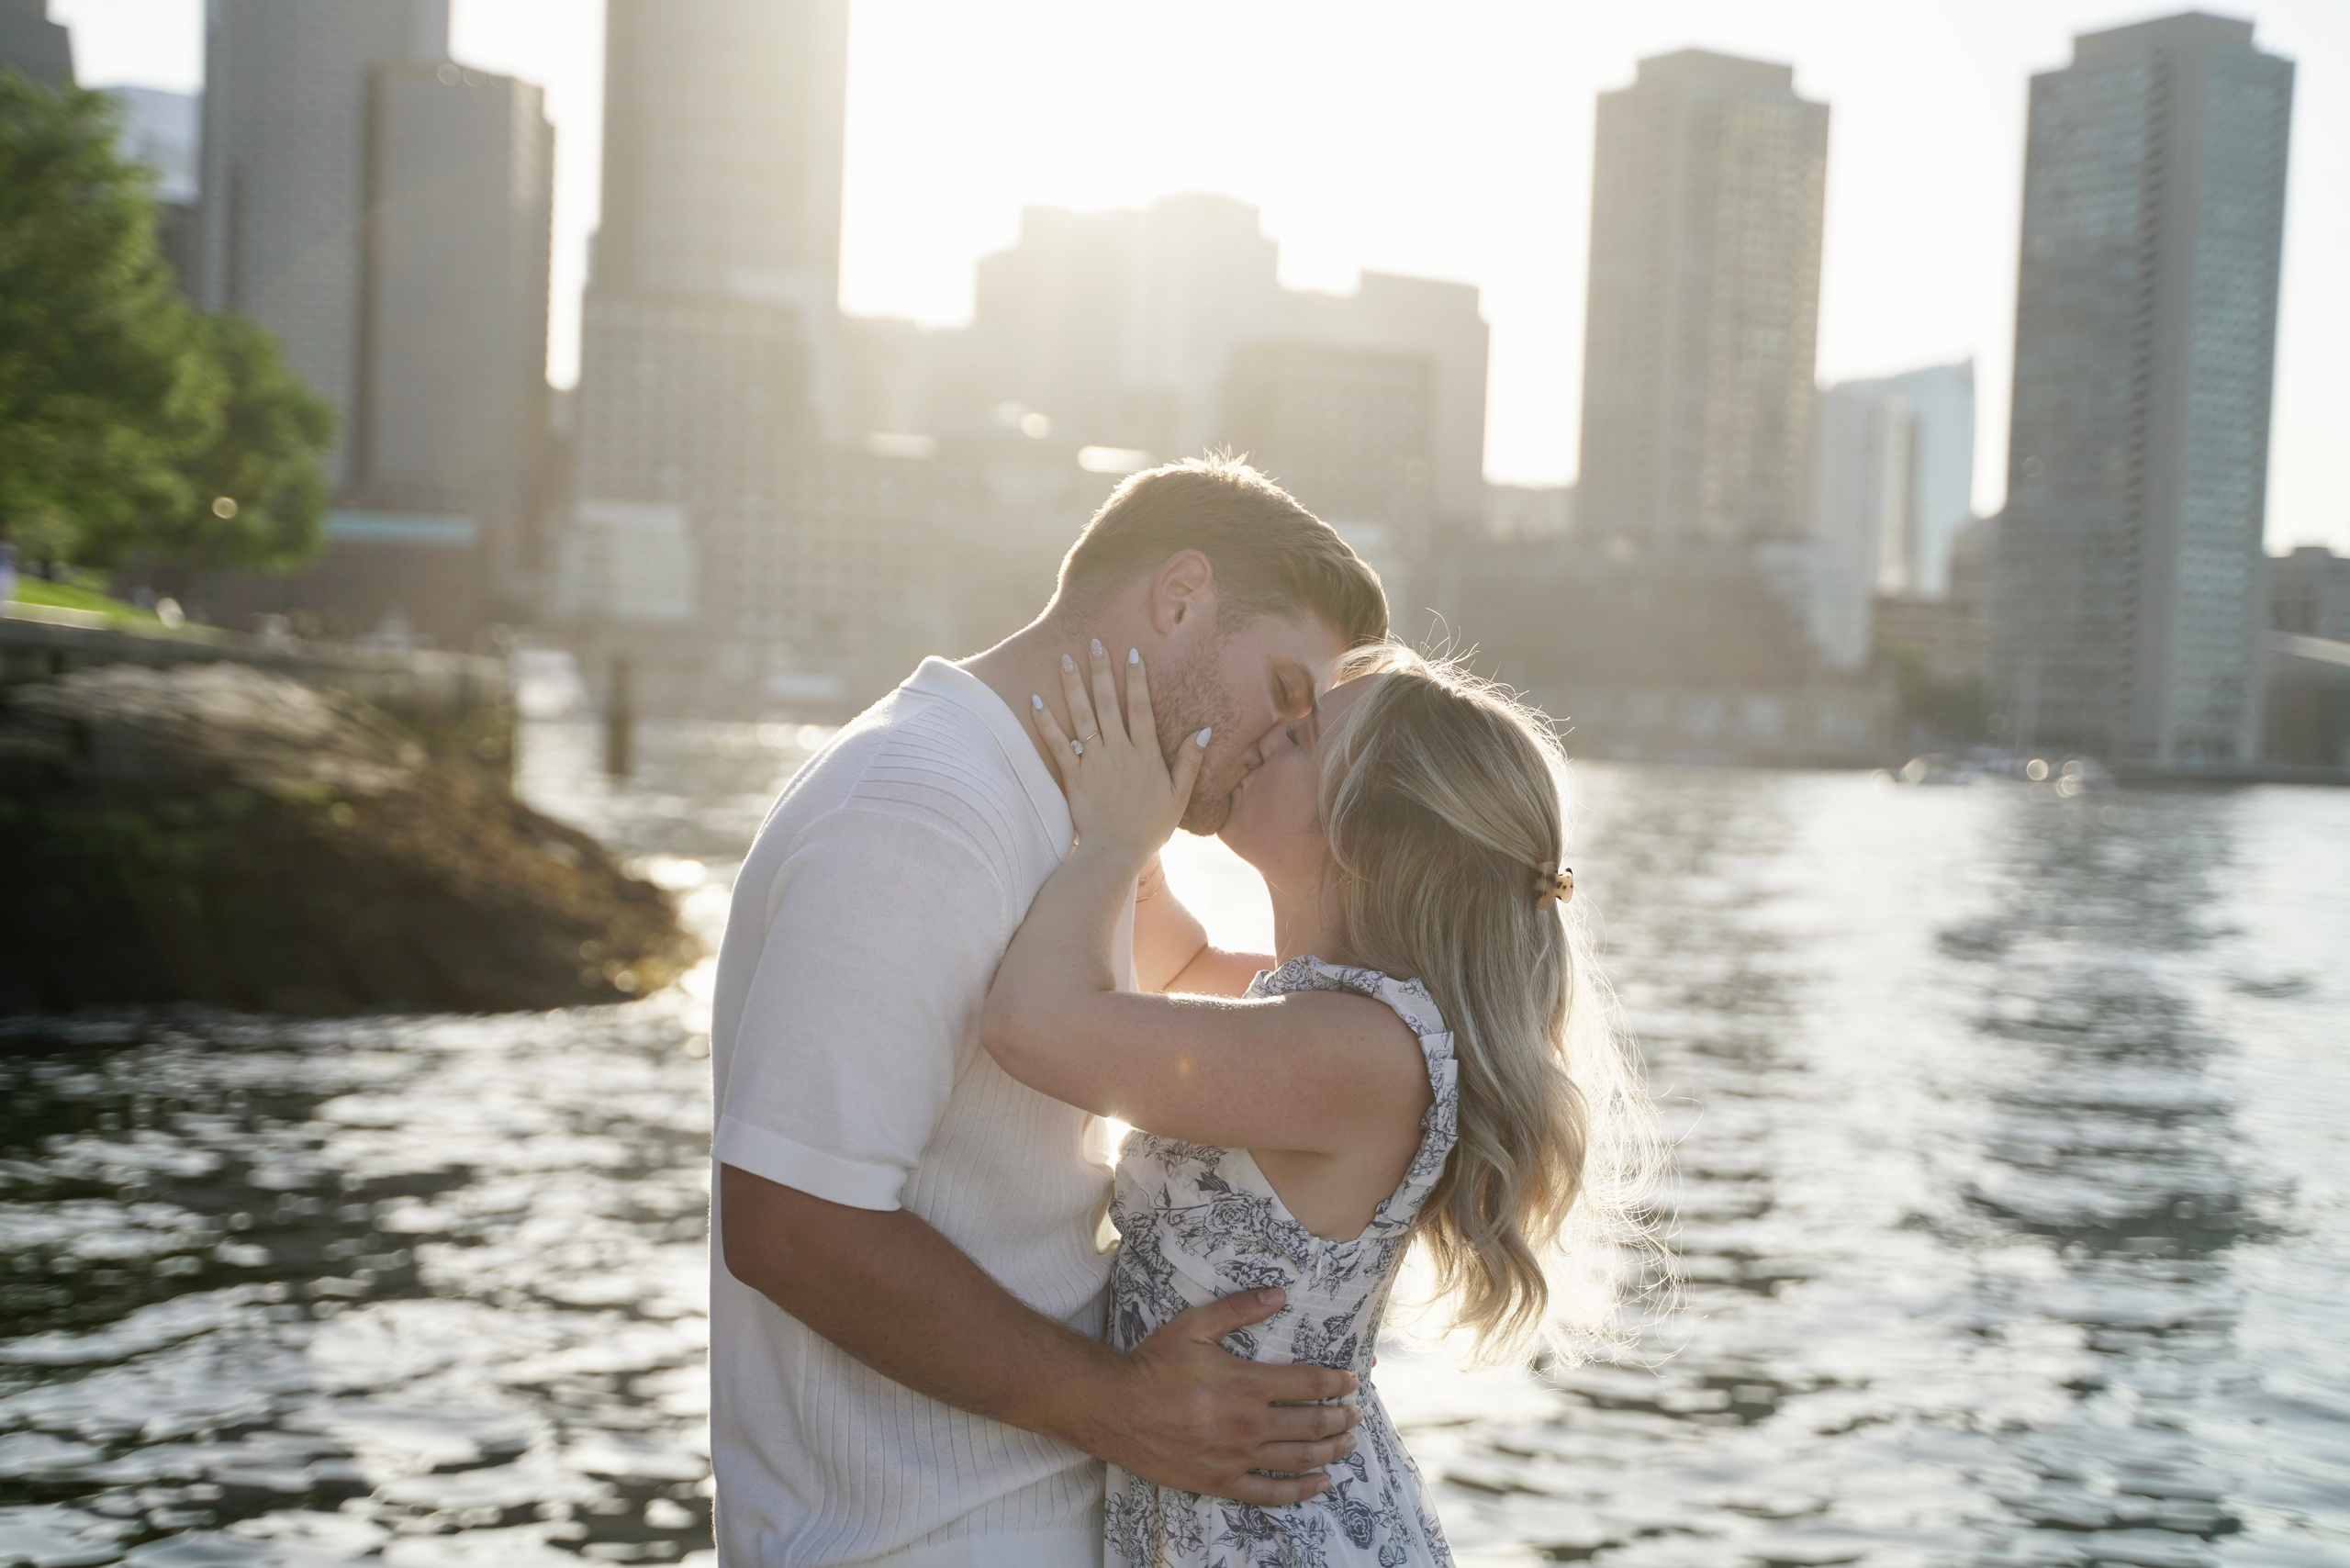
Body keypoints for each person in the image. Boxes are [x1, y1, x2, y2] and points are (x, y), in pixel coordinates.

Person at [709, 457, 1389, 1566]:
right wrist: (1114, 1403)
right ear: (1179, 598)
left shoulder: (1070, 808)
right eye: (1284, 687)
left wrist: (1444, 1003)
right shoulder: (924, 808)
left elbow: (1217, 985)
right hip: (918, 1537)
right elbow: (790, 1217)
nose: (1282, 739)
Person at [979, 639, 1659, 1566]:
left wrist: (1108, 842)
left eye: (1302, 739)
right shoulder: (1319, 1022)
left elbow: (1033, 1024)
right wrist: (1137, 799)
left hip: (1283, 1537)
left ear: (1366, 832)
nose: (1269, 734)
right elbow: (1168, 967)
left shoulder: (1356, 1053)